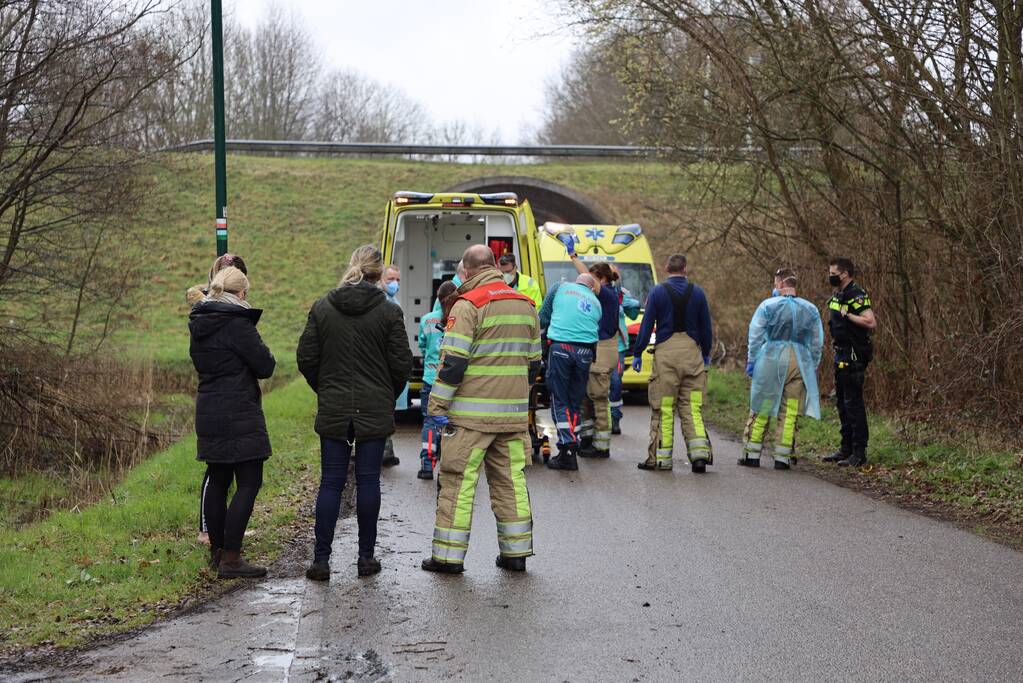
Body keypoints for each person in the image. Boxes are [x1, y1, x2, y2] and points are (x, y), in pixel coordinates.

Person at [421, 245, 541, 574]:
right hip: (512, 418)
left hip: (471, 419)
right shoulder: (526, 305)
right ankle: (515, 555)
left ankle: (447, 557)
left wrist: (437, 406)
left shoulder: (469, 304)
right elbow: (534, 364)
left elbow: (453, 364)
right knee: (510, 483)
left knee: (458, 483)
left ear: (469, 271)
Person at [297, 246, 412, 580]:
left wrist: (326, 388)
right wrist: (387, 393)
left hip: (334, 405)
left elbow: (306, 357)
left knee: (331, 482)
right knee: (367, 481)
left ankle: (321, 561)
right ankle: (365, 558)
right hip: (374, 405)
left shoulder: (322, 307)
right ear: (379, 274)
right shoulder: (389, 312)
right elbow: (401, 363)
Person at [189, 266, 276, 578]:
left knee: (219, 478)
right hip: (239, 409)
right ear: (241, 294)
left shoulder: (200, 322)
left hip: (209, 408)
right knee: (249, 481)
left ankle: (216, 552)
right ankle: (232, 557)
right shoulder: (238, 323)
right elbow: (265, 365)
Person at [187, 253, 248, 549]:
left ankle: (218, 533)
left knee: (223, 470)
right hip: (226, 402)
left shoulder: (204, 317)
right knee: (217, 472)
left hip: (214, 403)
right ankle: (209, 531)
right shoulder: (219, 317)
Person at [632, 253, 714, 472]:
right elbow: (706, 327)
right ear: (685, 268)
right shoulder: (698, 292)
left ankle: (661, 459)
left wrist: (638, 352)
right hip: (692, 354)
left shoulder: (658, 292)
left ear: (666, 268)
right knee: (692, 407)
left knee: (664, 408)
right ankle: (699, 456)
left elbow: (647, 324)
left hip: (666, 355)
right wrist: (705, 354)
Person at [740, 272, 824, 469]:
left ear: (781, 283)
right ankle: (782, 457)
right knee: (790, 410)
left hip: (771, 357)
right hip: (800, 360)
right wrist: (812, 365)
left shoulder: (768, 305)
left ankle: (751, 454)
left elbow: (755, 334)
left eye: (775, 283)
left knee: (763, 403)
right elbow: (817, 342)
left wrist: (752, 360)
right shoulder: (810, 309)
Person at [538, 273, 602, 471]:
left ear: (576, 281)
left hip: (561, 349)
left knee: (559, 399)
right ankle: (569, 446)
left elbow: (543, 316)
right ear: (591, 288)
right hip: (585, 353)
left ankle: (568, 448)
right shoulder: (596, 302)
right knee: (574, 402)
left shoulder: (559, 287)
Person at [821, 257, 877, 467]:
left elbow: (871, 321)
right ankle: (845, 449)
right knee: (842, 403)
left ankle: (859, 452)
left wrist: (850, 316)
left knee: (853, 403)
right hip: (841, 353)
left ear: (844, 274)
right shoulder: (839, 294)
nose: (831, 276)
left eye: (833, 273)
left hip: (854, 355)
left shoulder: (856, 294)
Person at [565, 250, 620, 458]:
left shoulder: (607, 295)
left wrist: (573, 256)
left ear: (603, 279)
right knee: (586, 398)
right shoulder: (597, 297)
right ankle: (588, 439)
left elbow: (587, 278)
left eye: (594, 279)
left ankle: (602, 446)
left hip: (603, 350)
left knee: (598, 398)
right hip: (594, 349)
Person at [417, 280, 458, 480]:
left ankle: (427, 463)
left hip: (430, 379)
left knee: (430, 421)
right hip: (452, 380)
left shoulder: (427, 320)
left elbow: (423, 347)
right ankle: (451, 466)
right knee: (453, 422)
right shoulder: (460, 319)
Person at [609, 265, 641, 435]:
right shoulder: (596, 292)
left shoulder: (622, 294)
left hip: (618, 347)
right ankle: (598, 419)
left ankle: (615, 418)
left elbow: (634, 316)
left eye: (615, 276)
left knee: (615, 382)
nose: (614, 279)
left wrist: (633, 304)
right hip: (599, 344)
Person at [381, 264, 406, 467]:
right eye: (390, 279)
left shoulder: (394, 302)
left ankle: (387, 450)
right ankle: (385, 452)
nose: (394, 283)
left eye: (397, 279)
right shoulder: (383, 303)